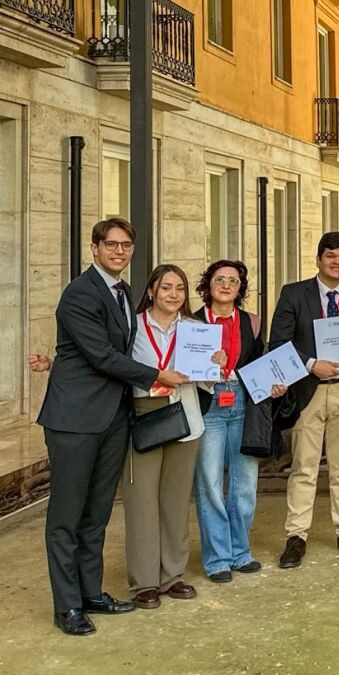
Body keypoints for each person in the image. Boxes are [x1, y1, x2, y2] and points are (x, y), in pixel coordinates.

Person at [33, 218, 187, 635]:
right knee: (66, 516)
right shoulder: (79, 293)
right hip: (75, 419)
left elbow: (112, 348)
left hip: (113, 417)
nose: (120, 251)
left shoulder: (122, 291)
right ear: (95, 248)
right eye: (111, 244)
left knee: (97, 513)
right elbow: (100, 354)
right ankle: (67, 607)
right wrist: (156, 375)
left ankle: (90, 594)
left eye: (126, 245)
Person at [270, 232, 339, 568]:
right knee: (304, 466)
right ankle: (296, 536)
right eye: (330, 256)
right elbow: (278, 342)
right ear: (318, 259)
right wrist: (310, 364)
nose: (337, 262)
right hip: (308, 390)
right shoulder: (294, 294)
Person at [123, 264, 216, 609]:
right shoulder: (131, 327)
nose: (173, 294)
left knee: (175, 502)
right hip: (144, 415)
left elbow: (206, 379)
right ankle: (145, 582)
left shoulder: (195, 329)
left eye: (179, 288)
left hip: (184, 415)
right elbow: (114, 366)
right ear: (151, 291)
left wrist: (215, 364)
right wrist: (157, 375)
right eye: (166, 288)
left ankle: (172, 576)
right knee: (141, 501)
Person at [192, 260, 287, 583]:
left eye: (233, 281)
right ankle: (217, 558)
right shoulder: (192, 323)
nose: (226, 285)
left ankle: (240, 551)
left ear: (240, 288)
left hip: (244, 403)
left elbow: (259, 363)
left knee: (245, 484)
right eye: (220, 279)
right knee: (210, 483)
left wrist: (274, 383)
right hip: (209, 403)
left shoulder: (252, 322)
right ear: (208, 284)